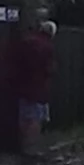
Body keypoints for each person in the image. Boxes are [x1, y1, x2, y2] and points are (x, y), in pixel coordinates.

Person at [15, 19, 57, 155]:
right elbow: (48, 69)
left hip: (21, 85)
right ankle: (31, 148)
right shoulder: (47, 47)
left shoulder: (26, 41)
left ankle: (23, 145)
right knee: (35, 118)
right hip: (38, 88)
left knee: (23, 117)